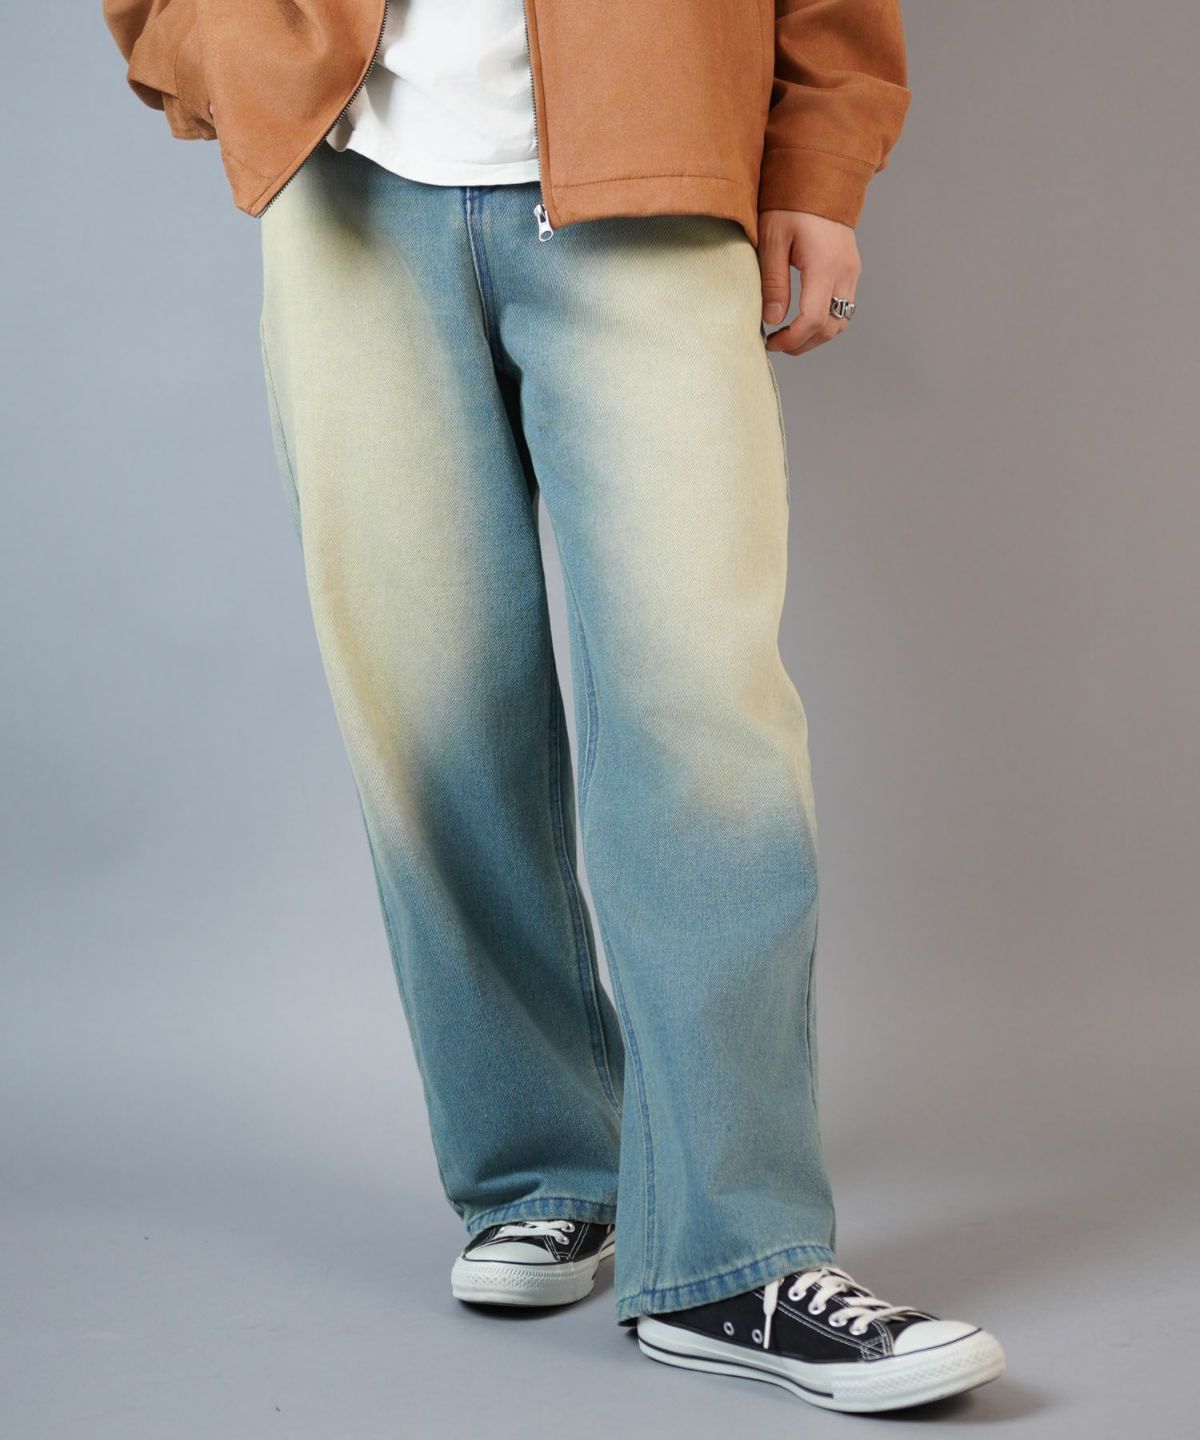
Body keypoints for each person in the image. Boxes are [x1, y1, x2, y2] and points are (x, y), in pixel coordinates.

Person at [104, 0, 1006, 1413]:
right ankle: (540, 1172)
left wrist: (820, 169)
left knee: (702, 729)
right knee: (432, 722)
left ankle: (732, 1256)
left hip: (653, 170)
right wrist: (220, 57)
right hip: (346, 197)